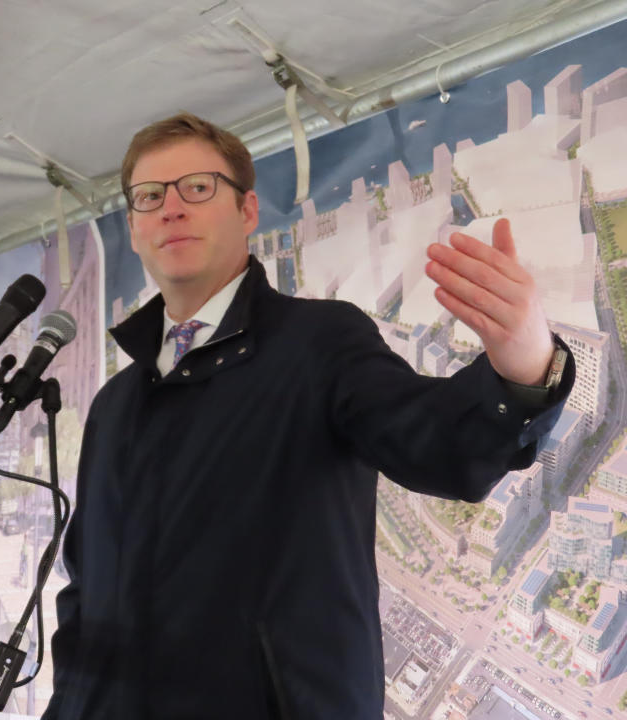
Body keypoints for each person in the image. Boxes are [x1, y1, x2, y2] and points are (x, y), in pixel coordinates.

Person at [42, 113, 574, 719]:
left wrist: (524, 366)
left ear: (247, 212)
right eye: (149, 197)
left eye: (196, 187)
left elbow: (442, 445)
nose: (171, 208)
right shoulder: (114, 406)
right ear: (135, 229)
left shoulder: (319, 342)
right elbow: (86, 589)